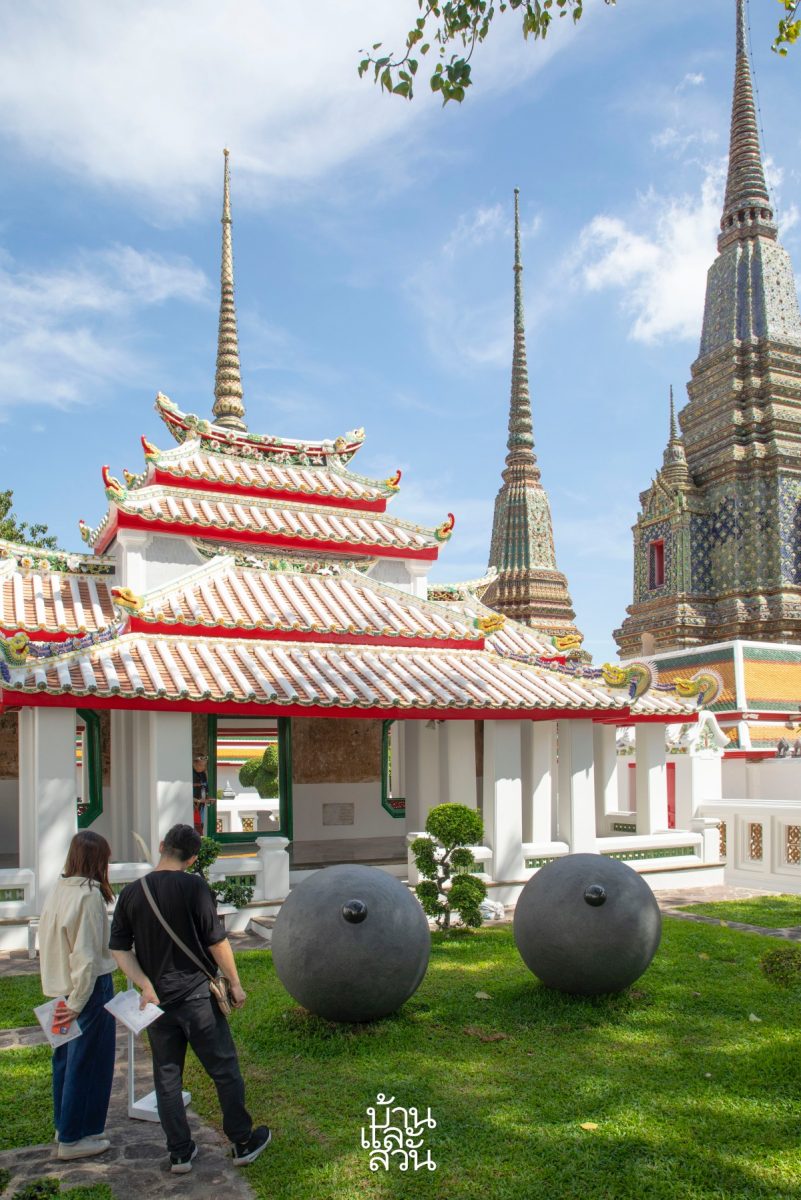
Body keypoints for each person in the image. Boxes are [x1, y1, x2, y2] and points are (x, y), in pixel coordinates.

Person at [109, 823, 270, 1174]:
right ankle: (242, 1141)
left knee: (167, 1078)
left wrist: (145, 985)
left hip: (157, 1003)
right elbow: (217, 941)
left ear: (162, 845)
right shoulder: (195, 886)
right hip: (197, 997)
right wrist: (235, 983)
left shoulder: (132, 893)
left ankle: (180, 1152)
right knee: (224, 1070)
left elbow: (119, 948)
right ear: (194, 857)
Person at [38, 830, 117, 1161]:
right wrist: (78, 1002)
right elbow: (86, 956)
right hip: (87, 990)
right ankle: (74, 1137)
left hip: (59, 987)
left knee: (66, 1061)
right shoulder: (89, 895)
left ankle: (65, 1126)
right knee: (90, 1061)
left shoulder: (59, 889)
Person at [192, 754, 209, 834]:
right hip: (193, 804)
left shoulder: (203, 774)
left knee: (201, 824)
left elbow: (206, 787)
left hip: (201, 804)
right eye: (200, 765)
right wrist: (198, 800)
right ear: (194, 764)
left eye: (204, 765)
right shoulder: (190, 773)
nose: (202, 767)